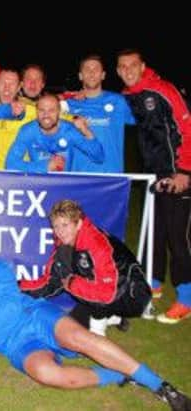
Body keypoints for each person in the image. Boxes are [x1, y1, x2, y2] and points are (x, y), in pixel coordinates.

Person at [0, 231, 191, 411]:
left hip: (34, 317)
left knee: (80, 338)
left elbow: (11, 306)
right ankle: (121, 376)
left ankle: (161, 386)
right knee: (46, 374)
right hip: (15, 344)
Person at [117, 49, 191, 324]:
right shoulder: (129, 95)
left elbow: (187, 127)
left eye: (133, 65)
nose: (128, 70)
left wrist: (185, 171)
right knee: (156, 231)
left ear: (143, 66)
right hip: (154, 174)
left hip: (177, 173)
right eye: (122, 66)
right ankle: (155, 282)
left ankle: (186, 297)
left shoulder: (162, 90)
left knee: (177, 236)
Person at [19, 200, 151, 336]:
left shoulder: (97, 244)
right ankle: (114, 318)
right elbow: (49, 283)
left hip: (132, 296)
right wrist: (16, 286)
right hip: (102, 295)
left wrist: (72, 283)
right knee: (69, 328)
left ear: (79, 224)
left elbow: (106, 294)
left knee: (77, 336)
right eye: (56, 226)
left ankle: (98, 333)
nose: (60, 231)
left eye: (65, 225)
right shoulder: (64, 247)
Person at [61, 55, 135, 173]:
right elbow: (41, 107)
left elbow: (146, 118)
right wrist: (65, 96)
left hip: (110, 176)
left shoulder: (118, 101)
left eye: (96, 69)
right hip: (77, 175)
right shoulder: (68, 105)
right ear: (80, 76)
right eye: (87, 69)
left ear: (103, 75)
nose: (91, 73)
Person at [6, 94, 104, 172]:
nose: (46, 115)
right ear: (36, 111)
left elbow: (99, 157)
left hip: (64, 187)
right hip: (38, 186)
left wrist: (86, 131)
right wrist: (45, 166)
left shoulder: (69, 130)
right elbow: (10, 164)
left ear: (59, 112)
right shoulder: (27, 131)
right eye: (42, 110)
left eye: (51, 110)